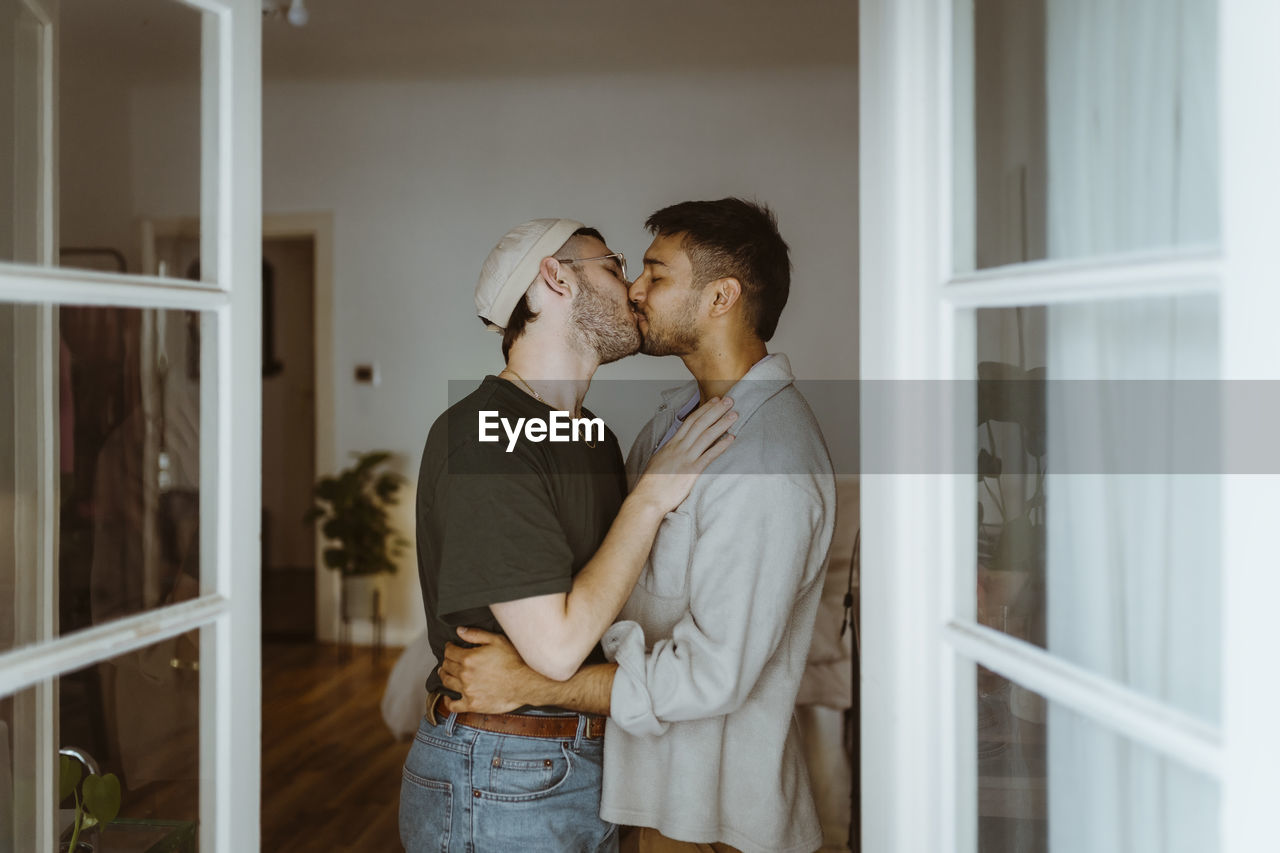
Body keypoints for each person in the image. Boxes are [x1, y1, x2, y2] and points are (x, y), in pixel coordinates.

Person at [439, 199, 838, 853]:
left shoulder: (768, 460)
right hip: (633, 797)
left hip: (711, 820)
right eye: (629, 269)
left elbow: (712, 676)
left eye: (655, 272)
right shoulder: (667, 430)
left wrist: (532, 681)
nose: (635, 289)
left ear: (721, 297)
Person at [399, 218, 738, 853]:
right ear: (554, 278)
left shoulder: (593, 438)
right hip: (500, 775)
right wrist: (653, 496)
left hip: (585, 763)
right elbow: (555, 649)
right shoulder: (481, 434)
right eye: (613, 267)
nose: (635, 288)